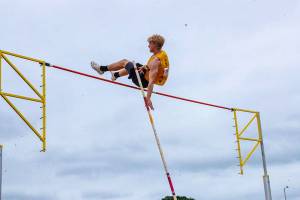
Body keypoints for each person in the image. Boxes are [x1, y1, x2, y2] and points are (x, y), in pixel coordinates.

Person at [91, 34, 169, 110]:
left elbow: (151, 82)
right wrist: (145, 67)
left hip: (142, 81)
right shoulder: (161, 54)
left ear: (155, 44)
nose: (148, 46)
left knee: (124, 62)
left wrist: (148, 99)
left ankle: (101, 69)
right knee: (135, 65)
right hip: (144, 74)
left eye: (150, 44)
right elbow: (163, 70)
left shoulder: (156, 61)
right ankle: (115, 75)